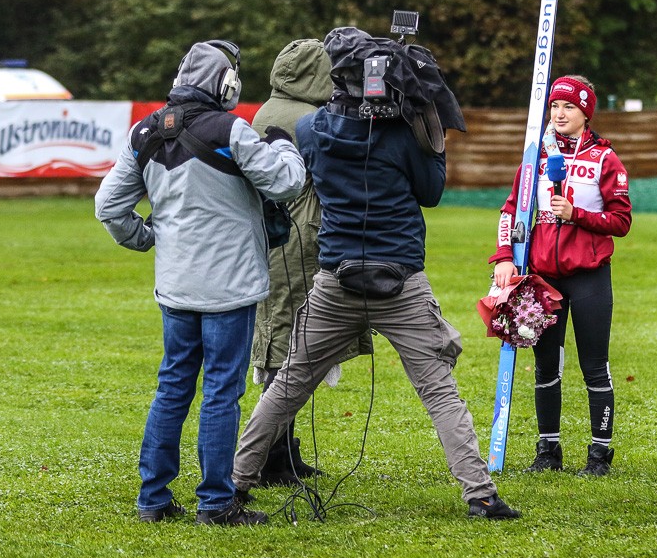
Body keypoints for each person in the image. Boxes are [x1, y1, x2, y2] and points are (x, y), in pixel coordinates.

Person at [233, 26, 521, 520]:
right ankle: (479, 495)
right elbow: (431, 192)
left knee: (288, 384)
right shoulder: (402, 133)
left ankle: (235, 481)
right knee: (439, 390)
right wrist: (429, 131)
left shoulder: (310, 129)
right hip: (401, 281)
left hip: (335, 279)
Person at [94, 40, 307, 526]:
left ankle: (153, 499)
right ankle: (215, 503)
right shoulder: (231, 129)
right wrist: (284, 146)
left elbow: (108, 207)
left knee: (172, 387)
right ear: (227, 86)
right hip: (231, 287)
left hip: (175, 286)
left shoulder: (144, 132)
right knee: (221, 393)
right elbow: (286, 183)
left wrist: (147, 238)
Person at [489, 75, 631, 477]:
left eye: (569, 106)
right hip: (543, 279)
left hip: (589, 277)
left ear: (586, 113)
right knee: (546, 364)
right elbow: (511, 211)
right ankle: (547, 451)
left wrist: (576, 215)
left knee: (594, 365)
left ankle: (599, 455)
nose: (560, 113)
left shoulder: (605, 158)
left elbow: (621, 221)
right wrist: (504, 257)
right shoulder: (535, 157)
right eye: (554, 106)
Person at [248, 38, 372, 487]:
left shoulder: (269, 110)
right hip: (298, 242)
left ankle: (283, 450)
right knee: (288, 349)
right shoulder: (305, 119)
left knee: (287, 344)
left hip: (279, 240)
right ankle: (273, 457)